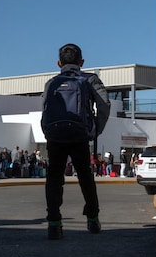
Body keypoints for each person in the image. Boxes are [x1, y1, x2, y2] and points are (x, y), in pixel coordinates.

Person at [41, 43, 110, 240]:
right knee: (85, 176)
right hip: (79, 134)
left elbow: (44, 109)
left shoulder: (51, 82)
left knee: (54, 177)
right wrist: (95, 130)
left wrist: (48, 133)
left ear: (58, 63)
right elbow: (104, 106)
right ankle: (93, 218)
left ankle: (54, 223)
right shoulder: (90, 79)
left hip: (55, 136)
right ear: (81, 62)